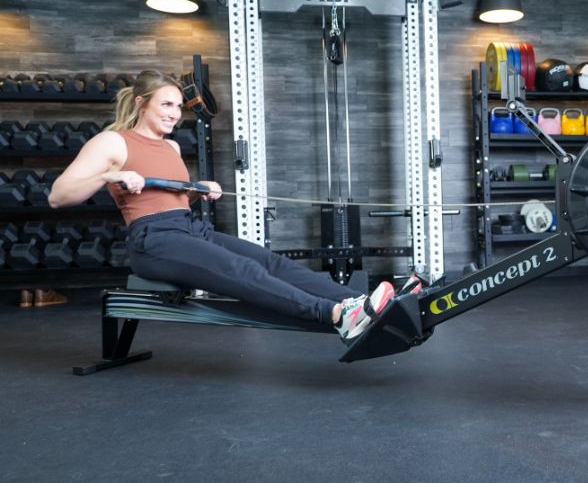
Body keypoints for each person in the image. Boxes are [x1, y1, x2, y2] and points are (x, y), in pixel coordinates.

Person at [48, 70, 408, 343]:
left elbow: (170, 197)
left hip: (189, 229)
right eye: (166, 104)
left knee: (270, 262)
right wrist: (111, 175)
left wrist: (197, 191)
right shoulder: (113, 142)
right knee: (241, 270)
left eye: (178, 107)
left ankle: (363, 302)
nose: (175, 114)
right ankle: (337, 315)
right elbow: (59, 195)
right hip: (153, 239)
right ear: (141, 103)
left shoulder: (171, 147)